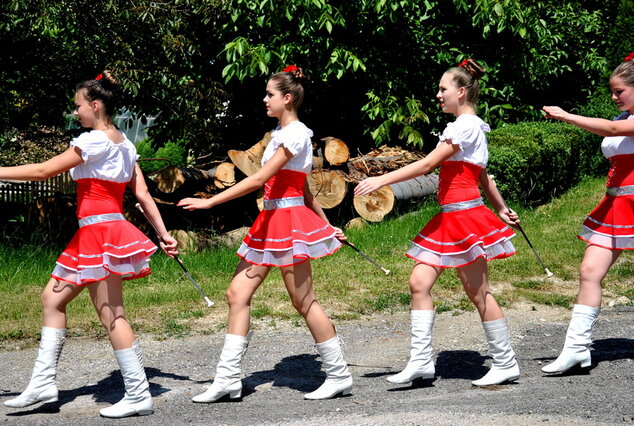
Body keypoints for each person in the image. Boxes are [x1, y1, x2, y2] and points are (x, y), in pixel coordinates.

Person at [1, 71, 178, 418]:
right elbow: (141, 194)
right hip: (99, 231)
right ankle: (42, 382)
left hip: (101, 233)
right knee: (52, 298)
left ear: (95, 106)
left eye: (78, 106)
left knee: (111, 313)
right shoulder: (125, 144)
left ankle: (139, 394)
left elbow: (43, 171)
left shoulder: (95, 141)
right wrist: (164, 233)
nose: (75, 112)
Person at [178, 65, 352, 401]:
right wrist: (328, 224)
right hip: (272, 221)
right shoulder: (281, 135)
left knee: (303, 300)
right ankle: (228, 379)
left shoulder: (296, 134)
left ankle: (339, 374)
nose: (264, 99)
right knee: (236, 294)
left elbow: (261, 181)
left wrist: (210, 201)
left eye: (270, 94)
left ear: (287, 98)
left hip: (288, 223)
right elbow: (304, 188)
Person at [355, 59, 520, 387]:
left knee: (479, 292)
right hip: (450, 217)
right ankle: (420, 362)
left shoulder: (465, 126)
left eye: (443, 89)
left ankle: (505, 362)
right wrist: (501, 207)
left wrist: (380, 180)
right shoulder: (468, 126)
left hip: (465, 217)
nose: (438, 94)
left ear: (461, 92)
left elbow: (429, 164)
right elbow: (483, 174)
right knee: (419, 283)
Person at [541, 53, 634, 374]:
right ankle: (577, 350)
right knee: (589, 271)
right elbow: (610, 129)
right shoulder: (624, 116)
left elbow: (610, 128)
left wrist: (567, 115)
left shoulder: (624, 121)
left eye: (619, 90)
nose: (613, 96)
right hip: (617, 205)